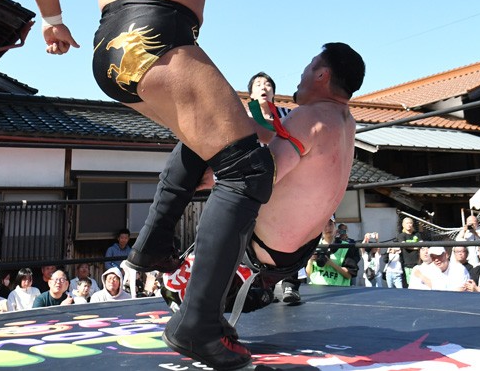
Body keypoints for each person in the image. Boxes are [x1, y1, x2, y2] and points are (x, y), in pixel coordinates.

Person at [28, 0, 281, 369]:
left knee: (204, 139)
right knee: (249, 168)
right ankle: (197, 325)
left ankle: (153, 245)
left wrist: (52, 20)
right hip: (157, 35)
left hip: (108, 49)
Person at [146, 44, 364, 368]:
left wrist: (216, 178)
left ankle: (157, 248)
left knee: (202, 135)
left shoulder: (309, 116)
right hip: (294, 253)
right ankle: (203, 306)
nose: (302, 74)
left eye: (309, 66)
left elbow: (261, 175)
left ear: (322, 74)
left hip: (264, 244)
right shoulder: (346, 122)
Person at [245, 72, 301, 304]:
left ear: (274, 92)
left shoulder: (288, 115)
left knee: (291, 231)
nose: (263, 87)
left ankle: (290, 284)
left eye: (268, 84)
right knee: (254, 233)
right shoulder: (244, 116)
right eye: (258, 84)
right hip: (256, 179)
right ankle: (260, 286)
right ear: (250, 93)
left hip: (286, 179)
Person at [306, 217, 360, 287]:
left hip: (338, 290)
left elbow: (349, 275)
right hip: (316, 288)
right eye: (324, 225)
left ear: (335, 226)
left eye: (330, 224)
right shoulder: (314, 246)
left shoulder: (345, 247)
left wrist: (331, 263)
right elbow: (309, 273)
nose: (328, 228)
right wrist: (310, 260)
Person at [392, 216, 422, 285]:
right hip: (407, 263)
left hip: (418, 262)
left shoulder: (417, 234)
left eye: (410, 223)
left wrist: (412, 247)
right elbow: (404, 246)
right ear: (403, 225)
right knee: (410, 282)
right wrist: (416, 247)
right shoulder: (401, 235)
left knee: (419, 282)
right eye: (407, 223)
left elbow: (421, 244)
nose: (409, 225)